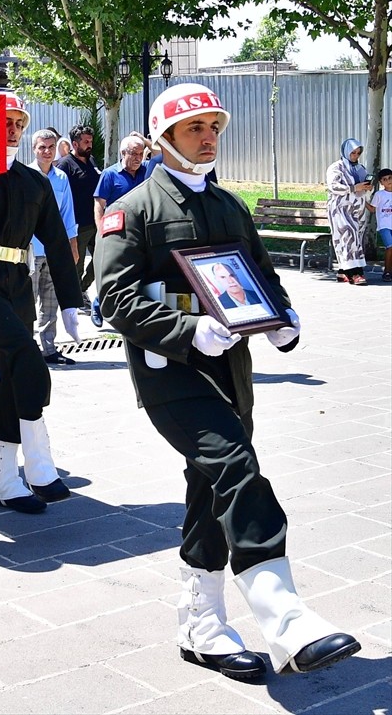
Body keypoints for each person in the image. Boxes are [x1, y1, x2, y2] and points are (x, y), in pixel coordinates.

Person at [96, 82, 360, 680]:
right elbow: (114, 295)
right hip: (173, 370)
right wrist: (186, 331)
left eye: (214, 126)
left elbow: (260, 274)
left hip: (231, 366)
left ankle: (201, 626)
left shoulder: (230, 206)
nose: (209, 136)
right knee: (236, 466)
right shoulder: (133, 210)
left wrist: (281, 317)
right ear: (164, 138)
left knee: (211, 487)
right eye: (195, 128)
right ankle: (285, 617)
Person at [0, 91, 82, 514]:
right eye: (4, 121)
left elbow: (58, 244)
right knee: (27, 356)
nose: (13, 130)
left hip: (18, 283)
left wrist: (71, 302)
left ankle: (4, 482)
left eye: (19, 124)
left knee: (12, 373)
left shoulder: (34, 181)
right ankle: (39, 462)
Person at [28, 128, 80, 365]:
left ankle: (49, 349)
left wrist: (73, 246)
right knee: (27, 303)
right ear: (34, 149)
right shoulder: (25, 176)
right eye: (42, 147)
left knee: (50, 303)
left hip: (53, 251)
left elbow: (68, 215)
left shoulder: (61, 178)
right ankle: (25, 349)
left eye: (51, 147)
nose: (47, 152)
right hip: (28, 251)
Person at [56, 124, 101, 304]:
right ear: (75, 144)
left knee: (102, 259)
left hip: (95, 221)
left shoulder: (91, 161)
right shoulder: (65, 165)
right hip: (77, 224)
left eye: (91, 140)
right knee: (77, 264)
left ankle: (81, 288)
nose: (89, 144)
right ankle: (74, 298)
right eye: (86, 142)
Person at [325, 138, 372, 285]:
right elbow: (333, 186)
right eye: (352, 153)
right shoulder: (336, 167)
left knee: (356, 239)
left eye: (358, 153)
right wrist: (353, 188)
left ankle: (343, 272)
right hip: (340, 209)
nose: (355, 156)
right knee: (348, 238)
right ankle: (355, 273)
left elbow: (363, 187)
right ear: (346, 152)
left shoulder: (360, 168)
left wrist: (367, 188)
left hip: (357, 210)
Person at [93, 133, 148, 232]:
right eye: (134, 153)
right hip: (119, 230)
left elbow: (161, 156)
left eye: (141, 154)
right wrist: (100, 232)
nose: (138, 158)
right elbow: (99, 205)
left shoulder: (146, 169)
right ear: (123, 153)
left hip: (143, 229)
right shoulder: (109, 174)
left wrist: (144, 139)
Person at [366, 167, 392, 281]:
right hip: (384, 226)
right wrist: (363, 201)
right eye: (385, 179)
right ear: (381, 182)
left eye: (390, 178)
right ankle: (386, 271)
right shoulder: (379, 195)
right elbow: (372, 209)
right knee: (390, 247)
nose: (388, 181)